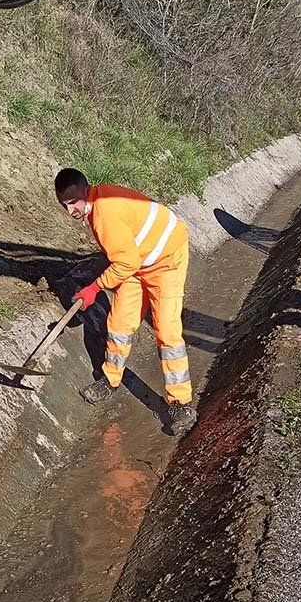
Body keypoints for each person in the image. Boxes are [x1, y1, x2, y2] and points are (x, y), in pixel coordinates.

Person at [55, 167, 197, 436]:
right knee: (119, 323)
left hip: (166, 260)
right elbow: (127, 260)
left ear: (86, 190)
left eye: (74, 202)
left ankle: (181, 404)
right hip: (136, 264)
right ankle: (110, 379)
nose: (71, 210)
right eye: (65, 205)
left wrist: (94, 288)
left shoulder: (105, 213)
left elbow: (125, 261)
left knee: (166, 331)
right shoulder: (96, 206)